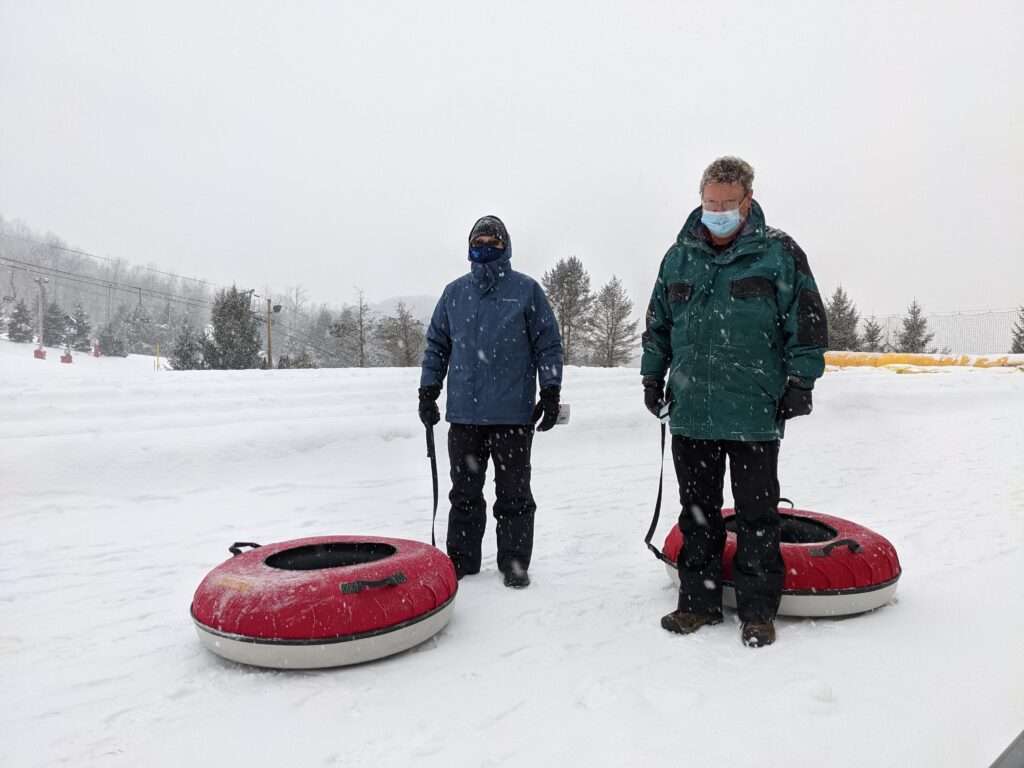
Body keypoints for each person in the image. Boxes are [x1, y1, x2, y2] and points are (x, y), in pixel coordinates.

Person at [641, 157, 828, 647]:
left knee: (757, 515)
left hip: (752, 413)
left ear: (747, 201)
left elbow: (806, 324)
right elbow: (658, 325)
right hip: (692, 412)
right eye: (710, 203)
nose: (717, 211)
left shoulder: (779, 254)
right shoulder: (678, 258)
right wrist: (651, 375)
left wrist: (800, 382)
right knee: (696, 512)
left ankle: (757, 610)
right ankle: (698, 604)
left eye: (727, 204)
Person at [419, 215, 563, 589]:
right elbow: (437, 345)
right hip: (464, 416)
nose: (484, 249)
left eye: (492, 242)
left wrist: (550, 389)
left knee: (514, 493)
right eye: (478, 242)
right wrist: (428, 390)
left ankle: (514, 561)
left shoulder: (526, 291)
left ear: (505, 246)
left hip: (513, 415)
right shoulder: (454, 293)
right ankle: (462, 560)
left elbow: (547, 342)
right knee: (464, 494)